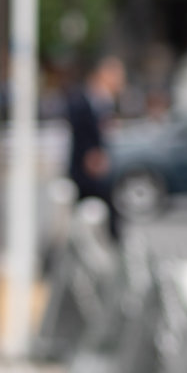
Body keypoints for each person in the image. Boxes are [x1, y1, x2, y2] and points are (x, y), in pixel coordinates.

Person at [66, 55, 125, 242]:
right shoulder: (88, 99)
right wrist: (92, 153)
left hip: (95, 168)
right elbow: (81, 128)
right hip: (86, 169)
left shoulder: (107, 101)